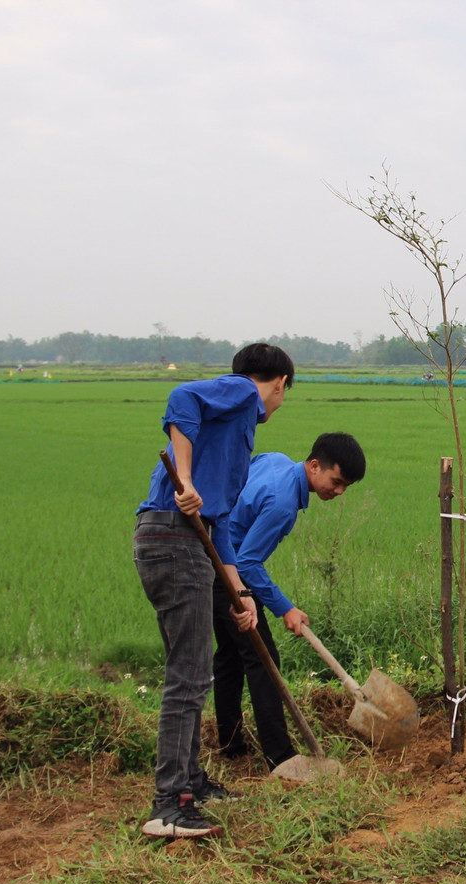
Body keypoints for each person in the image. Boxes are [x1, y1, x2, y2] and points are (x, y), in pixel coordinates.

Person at [132, 343, 294, 839]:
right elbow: (182, 398)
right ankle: (169, 804)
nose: (279, 404)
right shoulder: (244, 395)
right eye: (285, 394)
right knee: (189, 674)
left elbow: (219, 522)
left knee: (195, 671)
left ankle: (192, 782)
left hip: (191, 539)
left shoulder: (238, 435)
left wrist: (239, 593)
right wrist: (183, 477)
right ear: (280, 383)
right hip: (173, 538)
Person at [213, 432, 367, 770]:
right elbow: (248, 562)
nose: (339, 492)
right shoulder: (284, 503)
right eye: (336, 481)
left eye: (346, 487)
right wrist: (285, 607)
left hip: (213, 559)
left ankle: (231, 745)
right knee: (263, 658)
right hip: (227, 573)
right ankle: (279, 757)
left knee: (230, 656)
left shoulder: (276, 461)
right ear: (314, 466)